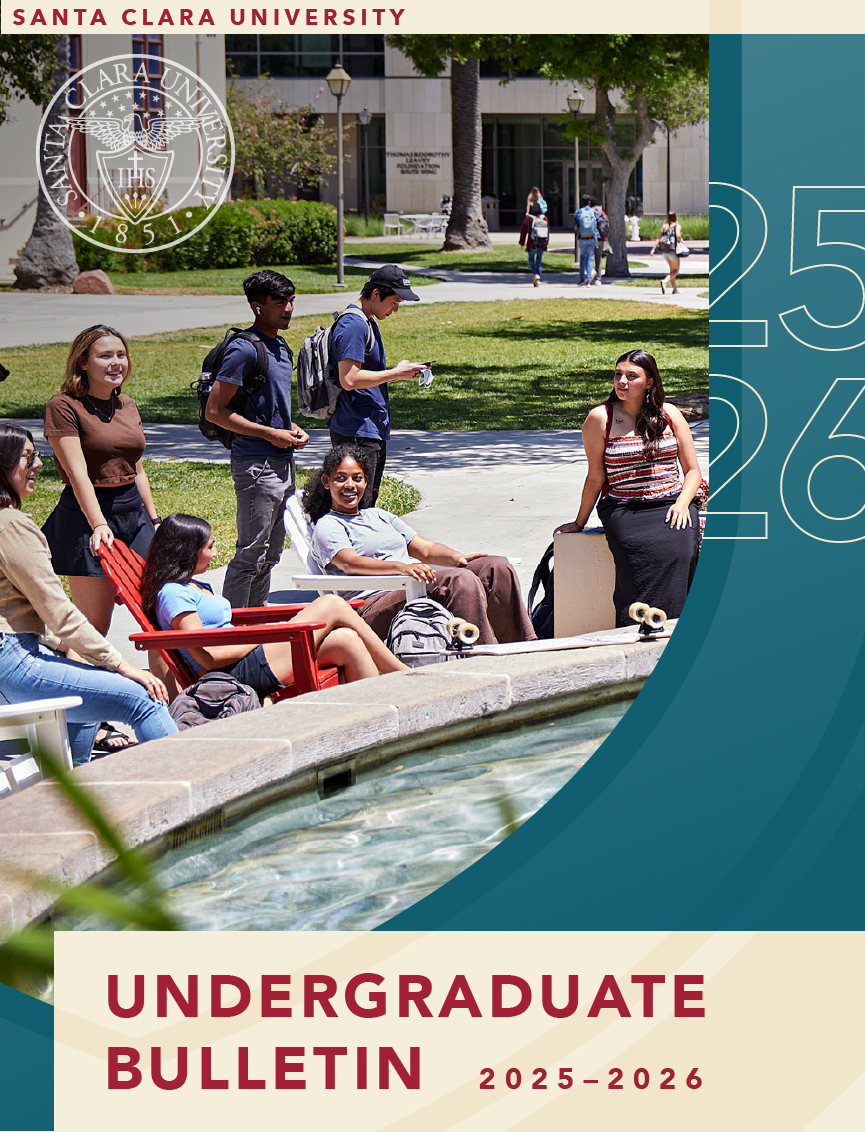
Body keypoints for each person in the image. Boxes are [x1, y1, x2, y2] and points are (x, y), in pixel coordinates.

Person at [0, 423, 176, 765]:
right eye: (27, 457)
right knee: (144, 697)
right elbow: (59, 613)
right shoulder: (12, 526)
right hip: (14, 663)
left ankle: (76, 782)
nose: (39, 464)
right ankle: (191, 789)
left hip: (11, 658)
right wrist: (122, 665)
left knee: (84, 702)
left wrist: (68, 648)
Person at [42, 324, 161, 751]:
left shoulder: (125, 403)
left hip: (134, 516)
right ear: (83, 362)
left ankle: (170, 707)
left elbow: (138, 468)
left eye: (121, 355)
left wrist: (154, 520)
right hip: (88, 517)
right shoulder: (64, 406)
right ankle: (84, 724)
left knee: (158, 615)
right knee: (92, 628)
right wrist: (99, 526)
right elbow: (78, 475)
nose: (116, 363)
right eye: (105, 356)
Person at [142, 513, 408, 693]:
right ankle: (404, 677)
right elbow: (207, 657)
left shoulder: (194, 585)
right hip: (229, 674)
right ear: (187, 552)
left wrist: (261, 635)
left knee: (346, 641)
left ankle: (379, 714)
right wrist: (263, 636)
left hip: (246, 658)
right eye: (210, 547)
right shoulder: (173, 593)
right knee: (332, 604)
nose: (215, 553)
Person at [303, 446, 537, 646]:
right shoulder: (328, 525)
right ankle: (480, 656)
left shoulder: (379, 516)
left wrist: (458, 558)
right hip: (373, 605)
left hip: (413, 585)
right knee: (459, 580)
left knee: (495, 567)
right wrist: (402, 568)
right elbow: (350, 563)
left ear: (365, 481)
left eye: (357, 478)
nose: (350, 485)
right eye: (340, 478)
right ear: (326, 482)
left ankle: (524, 648)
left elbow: (424, 548)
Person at [554, 350, 701, 626]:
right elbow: (595, 477)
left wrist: (682, 503)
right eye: (618, 374)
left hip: (671, 503)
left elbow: (693, 471)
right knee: (636, 562)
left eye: (631, 376)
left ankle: (678, 627)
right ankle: (635, 625)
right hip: (623, 508)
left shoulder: (669, 414)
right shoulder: (601, 418)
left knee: (682, 551)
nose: (622, 381)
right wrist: (579, 522)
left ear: (649, 382)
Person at [204, 270, 309, 608]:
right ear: (257, 306)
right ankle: (231, 627)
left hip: (282, 462)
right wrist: (269, 434)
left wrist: (290, 428)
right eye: (279, 303)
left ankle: (255, 621)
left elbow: (269, 408)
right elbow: (215, 411)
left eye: (291, 301)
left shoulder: (280, 346)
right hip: (255, 465)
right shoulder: (243, 350)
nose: (288, 309)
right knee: (250, 554)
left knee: (271, 555)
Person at [328, 265, 427, 505]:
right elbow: (349, 379)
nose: (396, 309)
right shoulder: (354, 325)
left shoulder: (367, 321)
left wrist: (398, 372)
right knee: (356, 506)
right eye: (394, 301)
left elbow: (364, 374)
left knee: (367, 503)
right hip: (356, 430)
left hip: (368, 428)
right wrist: (395, 373)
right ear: (375, 294)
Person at [650, 211, 683, 295]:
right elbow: (678, 236)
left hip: (664, 251)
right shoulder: (677, 225)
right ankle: (665, 281)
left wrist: (653, 249)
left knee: (672, 270)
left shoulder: (664, 226)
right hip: (672, 250)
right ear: (675, 217)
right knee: (675, 271)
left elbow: (658, 238)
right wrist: (681, 240)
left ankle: (675, 289)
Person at [519, 201, 548, 287]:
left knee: (531, 261)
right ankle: (538, 279)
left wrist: (521, 243)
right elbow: (548, 231)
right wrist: (546, 242)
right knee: (539, 261)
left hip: (532, 243)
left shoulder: (528, 218)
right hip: (542, 242)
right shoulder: (544, 218)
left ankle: (535, 274)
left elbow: (523, 232)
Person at [574, 194, 598, 286]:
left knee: (582, 258)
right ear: (589, 202)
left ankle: (582, 279)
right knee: (590, 258)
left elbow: (576, 226)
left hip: (582, 237)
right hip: (591, 237)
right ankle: (588, 280)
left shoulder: (579, 212)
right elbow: (599, 223)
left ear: (581, 202)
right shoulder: (593, 212)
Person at [591, 198, 610, 286]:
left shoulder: (591, 212)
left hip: (592, 237)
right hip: (602, 238)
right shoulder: (602, 213)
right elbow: (607, 225)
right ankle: (598, 279)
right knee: (598, 258)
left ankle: (590, 273)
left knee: (588, 257)